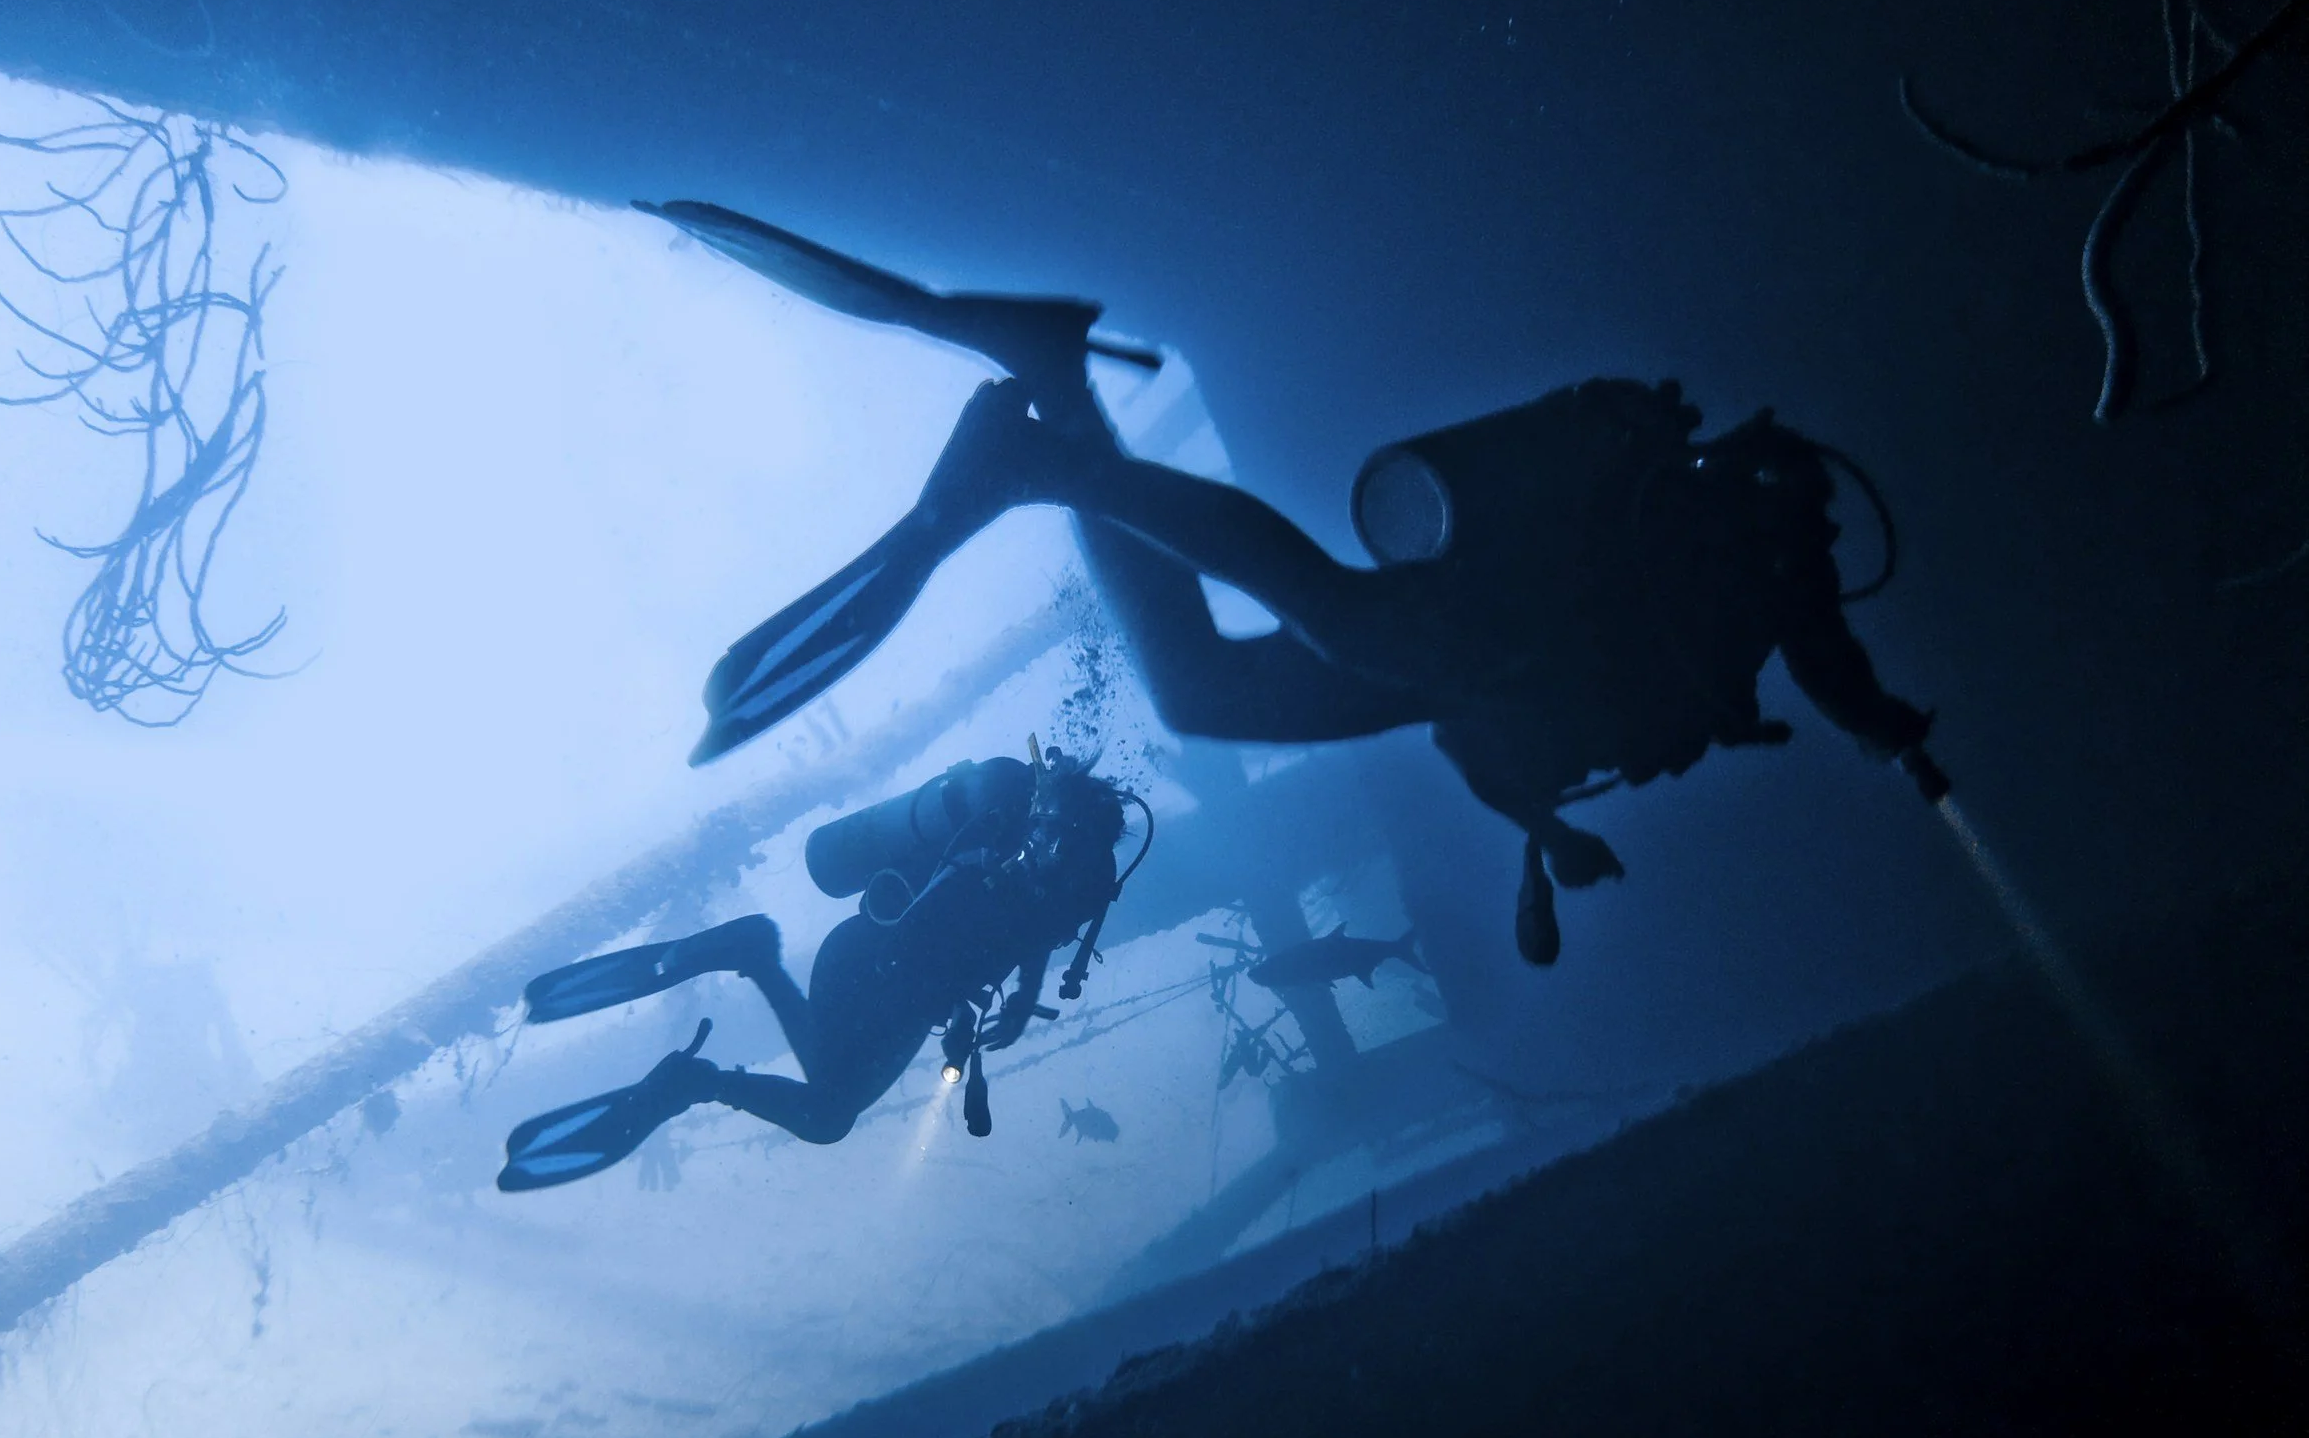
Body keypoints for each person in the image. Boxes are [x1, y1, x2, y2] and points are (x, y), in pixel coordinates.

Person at [646, 202, 1945, 967]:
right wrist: (1894, 736)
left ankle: (1056, 378)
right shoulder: (1775, 555)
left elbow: (1500, 736)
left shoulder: (1754, 556)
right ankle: (1046, 461)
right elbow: (1840, 673)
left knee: (1201, 689)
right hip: (1493, 622)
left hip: (1477, 666)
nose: (1826, 526)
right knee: (1335, 602)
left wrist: (1544, 833)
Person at [499, 749, 1145, 1190]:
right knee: (828, 1109)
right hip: (868, 960)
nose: (1048, 857)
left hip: (908, 990)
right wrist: (958, 1015)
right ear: (1040, 822)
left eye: (1065, 854)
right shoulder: (989, 854)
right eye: (1046, 841)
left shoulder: (1070, 887)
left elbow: (1029, 932)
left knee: (828, 1109)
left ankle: (733, 998)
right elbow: (930, 937)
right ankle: (741, 982)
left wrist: (1022, 991)